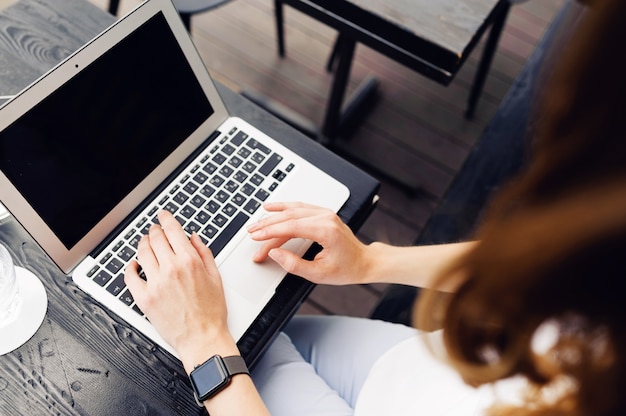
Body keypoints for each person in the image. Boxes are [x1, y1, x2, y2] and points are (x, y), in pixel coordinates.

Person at [124, 0, 626, 414]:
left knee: (202, 344)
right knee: (253, 324)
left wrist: (207, 346)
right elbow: (554, 267)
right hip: (426, 371)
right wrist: (371, 260)